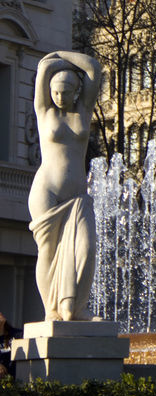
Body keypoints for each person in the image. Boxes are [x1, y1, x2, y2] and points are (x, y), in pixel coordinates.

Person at [29, 51, 102, 322]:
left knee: (87, 247)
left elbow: (93, 68)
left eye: (65, 92)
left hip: (77, 197)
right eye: (55, 92)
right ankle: (52, 310)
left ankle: (75, 308)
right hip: (46, 192)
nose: (59, 98)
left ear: (76, 92)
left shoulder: (84, 108)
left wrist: (64, 58)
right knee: (46, 252)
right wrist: (55, 60)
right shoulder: (44, 110)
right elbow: (43, 66)